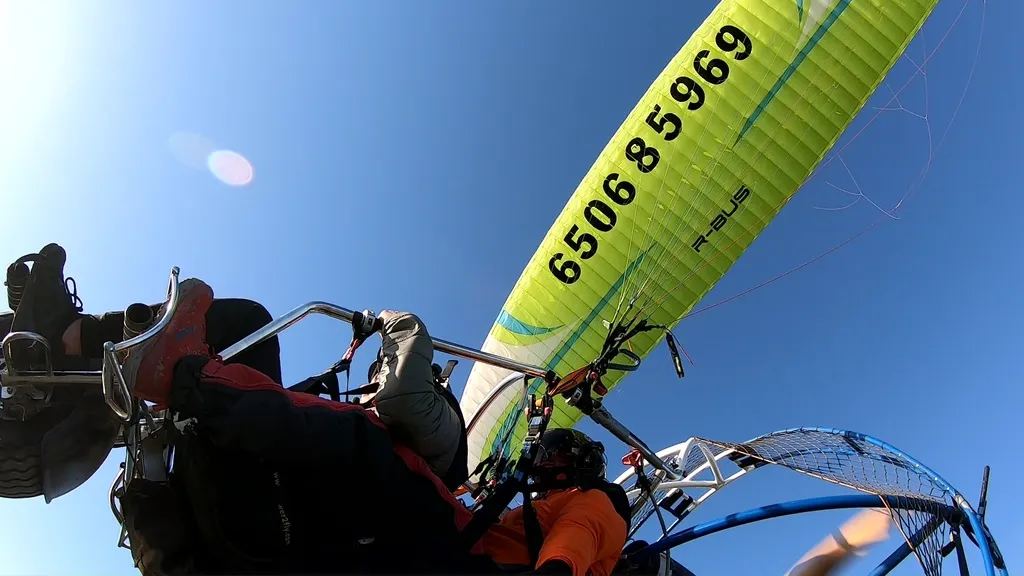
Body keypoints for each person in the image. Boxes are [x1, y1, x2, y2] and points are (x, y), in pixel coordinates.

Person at [118, 277, 487, 573]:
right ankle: (99, 348)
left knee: (247, 324)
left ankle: (158, 366)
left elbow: (404, 395)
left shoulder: (424, 450)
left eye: (378, 373)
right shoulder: (407, 496)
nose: (375, 380)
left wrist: (395, 324)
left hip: (264, 528)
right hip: (244, 538)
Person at [478, 427, 631, 576]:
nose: (540, 464)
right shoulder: (538, 505)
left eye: (550, 457)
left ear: (581, 460)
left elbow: (578, 532)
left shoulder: (592, 499)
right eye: (539, 459)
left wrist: (555, 568)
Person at [360, 310, 468, 490]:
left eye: (382, 372)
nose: (367, 384)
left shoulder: (434, 417)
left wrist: (397, 324)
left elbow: (403, 395)